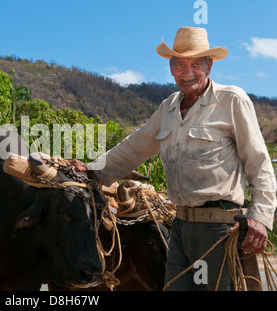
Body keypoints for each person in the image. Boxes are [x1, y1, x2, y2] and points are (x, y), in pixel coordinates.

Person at [71, 26, 277, 290]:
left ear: (209, 66)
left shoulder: (232, 100)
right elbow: (134, 147)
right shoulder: (168, 107)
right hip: (179, 227)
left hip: (219, 228)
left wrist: (260, 217)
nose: (188, 72)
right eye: (181, 64)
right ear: (171, 68)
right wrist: (92, 169)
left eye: (195, 64)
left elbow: (258, 163)